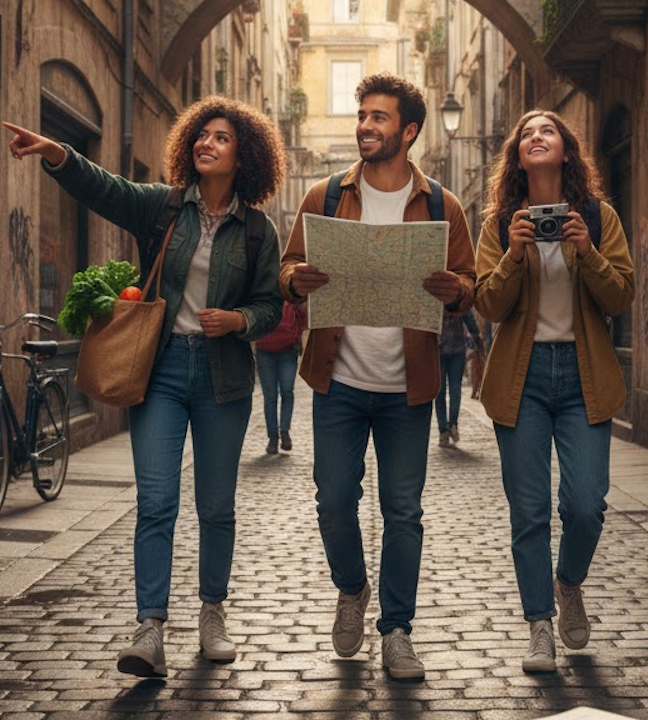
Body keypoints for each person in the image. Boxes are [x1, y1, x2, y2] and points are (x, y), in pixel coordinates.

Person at [3, 96, 286, 676]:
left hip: (223, 379)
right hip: (159, 371)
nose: (206, 143)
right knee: (156, 501)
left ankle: (212, 615)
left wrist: (237, 321)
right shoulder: (162, 208)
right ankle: (150, 628)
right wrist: (56, 153)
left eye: (221, 138)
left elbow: (271, 305)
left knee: (216, 507)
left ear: (245, 156)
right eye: (201, 135)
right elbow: (103, 186)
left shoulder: (258, 231)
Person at [279, 72, 476, 680]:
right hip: (337, 380)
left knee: (403, 511)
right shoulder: (327, 196)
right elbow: (288, 265)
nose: (365, 126)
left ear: (409, 131)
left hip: (407, 387)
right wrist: (297, 281)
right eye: (362, 116)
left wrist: (454, 291)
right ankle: (351, 588)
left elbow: (470, 284)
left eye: (378, 118)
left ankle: (397, 630)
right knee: (334, 500)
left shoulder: (442, 205)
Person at [473, 110, 635, 673]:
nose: (536, 137)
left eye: (548, 131)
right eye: (526, 134)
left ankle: (569, 582)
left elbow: (620, 296)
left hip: (584, 377)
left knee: (586, 505)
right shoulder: (498, 224)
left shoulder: (598, 216)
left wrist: (587, 249)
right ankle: (539, 624)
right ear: (517, 156)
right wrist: (516, 253)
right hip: (522, 379)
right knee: (530, 511)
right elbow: (488, 305)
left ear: (567, 150)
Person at [256, 300, 306, 454]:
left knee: (287, 390)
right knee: (271, 396)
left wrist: (296, 335)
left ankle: (284, 431)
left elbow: (302, 315)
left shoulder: (290, 288)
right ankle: (273, 437)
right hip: (265, 349)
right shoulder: (262, 288)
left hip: (287, 349)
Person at [436, 309, 483, 447]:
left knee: (440, 392)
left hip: (438, 348)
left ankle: (443, 431)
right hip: (457, 347)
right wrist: (476, 335)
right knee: (455, 389)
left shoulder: (434, 292)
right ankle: (453, 424)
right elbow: (468, 316)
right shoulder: (458, 291)